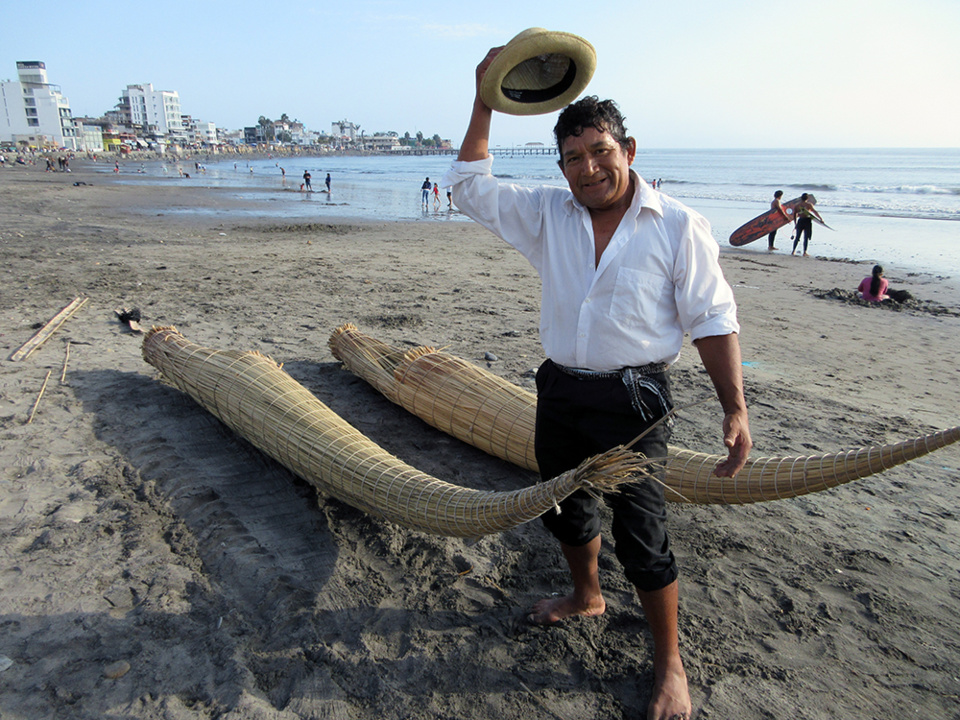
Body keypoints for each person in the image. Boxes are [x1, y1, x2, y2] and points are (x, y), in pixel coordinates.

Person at [442, 48, 752, 720]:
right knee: (564, 507)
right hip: (558, 391)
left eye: (600, 151)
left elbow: (711, 316)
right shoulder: (549, 214)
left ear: (629, 149)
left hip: (634, 402)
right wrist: (484, 97)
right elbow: (468, 185)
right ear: (560, 168)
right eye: (573, 157)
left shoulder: (677, 225)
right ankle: (586, 595)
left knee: (642, 532)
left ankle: (670, 664)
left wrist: (735, 409)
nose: (589, 168)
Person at [791, 193, 824, 257]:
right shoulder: (809, 205)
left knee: (797, 237)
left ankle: (793, 251)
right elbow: (815, 212)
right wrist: (821, 219)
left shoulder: (797, 205)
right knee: (806, 237)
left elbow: (794, 215)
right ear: (807, 198)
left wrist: (795, 223)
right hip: (807, 221)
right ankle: (805, 252)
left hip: (800, 221)